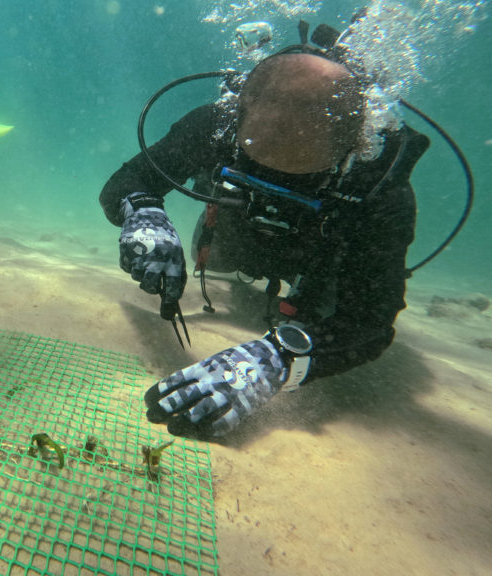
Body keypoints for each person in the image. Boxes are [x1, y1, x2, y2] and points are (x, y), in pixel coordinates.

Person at [100, 50, 429, 440]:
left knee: (327, 308)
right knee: (211, 256)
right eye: (259, 170)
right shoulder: (215, 126)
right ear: (240, 115)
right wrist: (144, 214)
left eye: (300, 180)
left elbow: (372, 319)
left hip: (318, 259)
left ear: (352, 150)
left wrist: (282, 356)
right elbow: (131, 179)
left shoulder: (378, 184)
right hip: (232, 236)